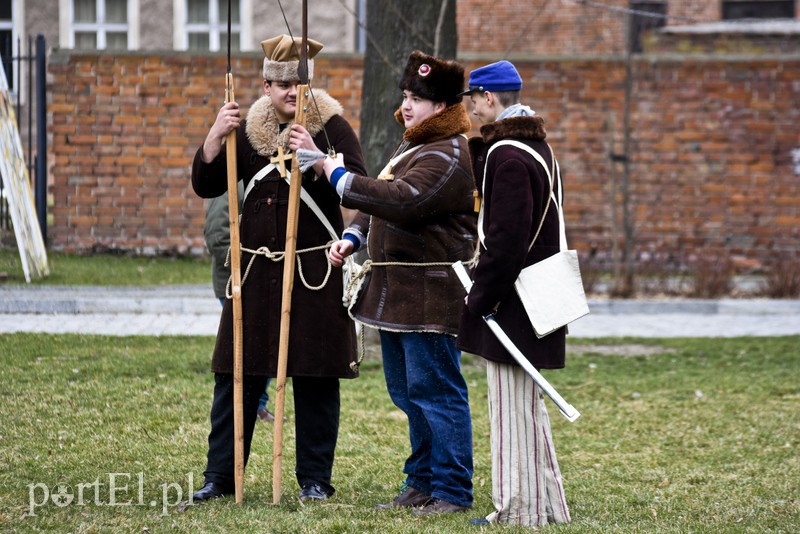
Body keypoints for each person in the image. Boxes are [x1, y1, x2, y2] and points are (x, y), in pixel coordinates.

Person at [190, 34, 367, 503]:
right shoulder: (246, 130)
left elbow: (359, 190)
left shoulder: (333, 129)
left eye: (300, 85)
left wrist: (317, 158)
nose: (292, 93)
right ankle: (221, 478)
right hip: (253, 276)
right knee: (236, 376)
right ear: (266, 85)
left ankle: (314, 480)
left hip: (313, 274)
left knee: (314, 376)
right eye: (283, 84)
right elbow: (207, 184)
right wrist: (213, 138)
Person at [321, 50, 477, 515]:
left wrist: (337, 175)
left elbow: (403, 199)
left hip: (431, 298)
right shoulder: (414, 145)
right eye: (407, 95)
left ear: (444, 106)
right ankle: (421, 480)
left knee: (437, 394)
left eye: (420, 98)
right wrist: (353, 235)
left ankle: (451, 489)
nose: (408, 106)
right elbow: (381, 204)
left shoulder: (449, 153)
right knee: (408, 393)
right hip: (398, 298)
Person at [456, 60, 571, 527]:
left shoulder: (506, 155)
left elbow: (505, 244)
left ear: (488, 98)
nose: (469, 107)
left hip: (515, 301)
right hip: (537, 294)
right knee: (526, 407)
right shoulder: (534, 145)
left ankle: (516, 511)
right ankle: (548, 506)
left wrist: (478, 300)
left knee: (509, 413)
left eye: (472, 99)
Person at [203, 186, 275, 423]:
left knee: (264, 345)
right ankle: (248, 405)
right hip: (236, 281)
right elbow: (217, 234)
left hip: (260, 282)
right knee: (249, 347)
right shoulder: (233, 181)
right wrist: (246, 267)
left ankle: (256, 404)